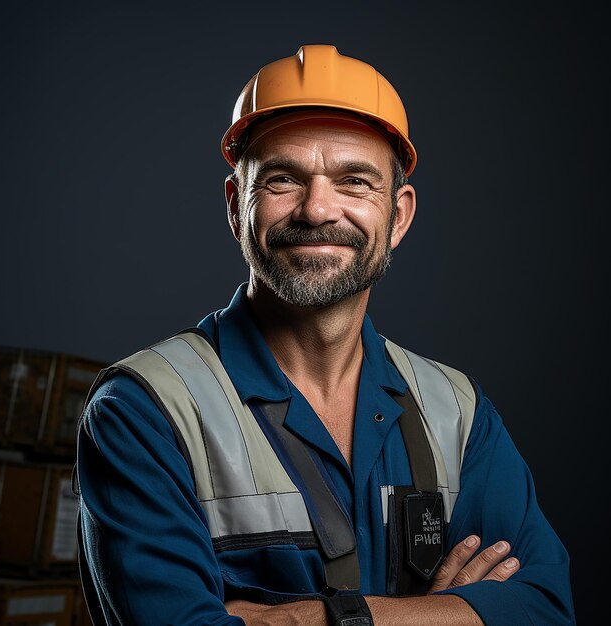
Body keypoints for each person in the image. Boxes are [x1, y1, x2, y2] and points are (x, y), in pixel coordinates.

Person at [75, 45, 576, 625]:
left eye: (355, 181)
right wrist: (441, 614)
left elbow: (543, 606)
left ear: (399, 216)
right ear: (238, 207)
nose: (317, 210)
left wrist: (293, 618)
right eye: (284, 179)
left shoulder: (456, 412)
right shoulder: (146, 410)